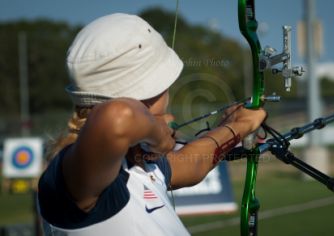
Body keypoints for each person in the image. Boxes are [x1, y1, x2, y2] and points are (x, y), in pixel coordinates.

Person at [37, 13, 266, 236]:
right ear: (148, 93)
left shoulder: (136, 162)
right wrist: (159, 136)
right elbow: (118, 117)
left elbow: (192, 162)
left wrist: (238, 126)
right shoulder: (75, 176)